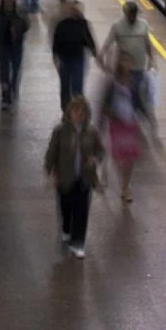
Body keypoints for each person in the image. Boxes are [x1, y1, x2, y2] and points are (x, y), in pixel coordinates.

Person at [44, 95, 105, 258]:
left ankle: (78, 242)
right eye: (75, 111)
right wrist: (49, 171)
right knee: (66, 207)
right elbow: (52, 152)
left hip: (83, 178)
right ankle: (66, 229)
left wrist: (95, 159)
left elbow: (100, 151)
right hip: (65, 178)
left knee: (82, 210)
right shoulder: (60, 131)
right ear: (69, 112)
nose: (78, 115)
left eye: (82, 111)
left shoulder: (91, 132)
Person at [101, 2, 157, 133]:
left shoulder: (143, 25)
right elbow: (108, 42)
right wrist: (102, 56)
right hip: (123, 69)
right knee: (127, 94)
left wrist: (151, 59)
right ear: (125, 14)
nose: (132, 17)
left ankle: (141, 117)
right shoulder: (117, 27)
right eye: (130, 15)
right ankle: (132, 118)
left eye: (134, 14)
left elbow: (147, 43)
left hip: (139, 67)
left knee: (137, 93)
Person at [101, 52, 146, 203]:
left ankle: (125, 188)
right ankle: (119, 180)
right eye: (124, 61)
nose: (126, 65)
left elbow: (138, 102)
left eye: (128, 62)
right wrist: (105, 120)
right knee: (121, 157)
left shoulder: (133, 82)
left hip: (130, 123)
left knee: (130, 157)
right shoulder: (112, 83)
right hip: (117, 124)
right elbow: (104, 106)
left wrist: (144, 119)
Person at [52, 0, 97, 111]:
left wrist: (94, 50)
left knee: (77, 86)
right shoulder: (61, 24)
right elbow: (56, 43)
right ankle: (66, 111)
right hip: (64, 59)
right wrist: (56, 59)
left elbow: (89, 39)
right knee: (65, 87)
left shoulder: (82, 23)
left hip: (78, 58)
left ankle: (78, 111)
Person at [0, 0, 28, 108]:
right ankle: (6, 96)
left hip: (16, 46)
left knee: (15, 70)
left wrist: (18, 29)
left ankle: (13, 90)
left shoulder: (19, 12)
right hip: (3, 45)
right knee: (4, 71)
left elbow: (26, 26)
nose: (8, 2)